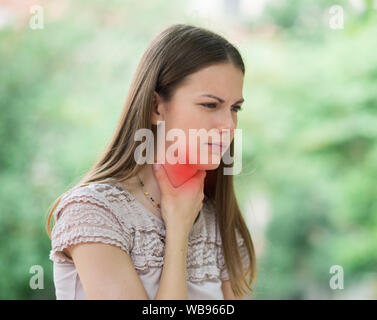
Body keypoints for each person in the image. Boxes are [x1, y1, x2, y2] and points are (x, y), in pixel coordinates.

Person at [46, 23, 256, 300]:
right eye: (210, 105)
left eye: (235, 108)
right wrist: (178, 230)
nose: (229, 124)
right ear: (157, 107)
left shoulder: (218, 221)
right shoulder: (93, 212)